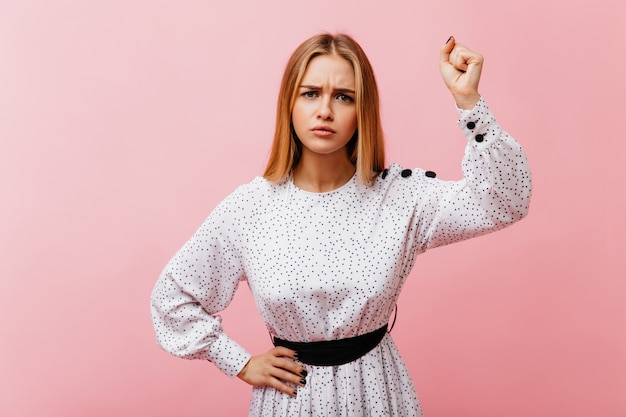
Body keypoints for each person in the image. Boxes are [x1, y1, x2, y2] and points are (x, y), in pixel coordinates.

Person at [150, 33, 532, 416]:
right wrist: (239, 362)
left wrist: (469, 103)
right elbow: (171, 299)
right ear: (289, 104)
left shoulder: (401, 196)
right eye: (310, 93)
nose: (325, 111)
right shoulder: (249, 209)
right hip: (291, 401)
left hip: (379, 395)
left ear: (362, 109)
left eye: (344, 96)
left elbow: (506, 200)